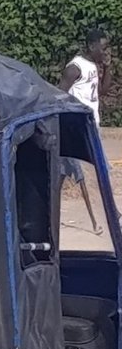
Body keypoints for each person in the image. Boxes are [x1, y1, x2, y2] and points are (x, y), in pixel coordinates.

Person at [60, 29, 112, 236]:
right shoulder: (75, 68)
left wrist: (108, 68)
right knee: (86, 176)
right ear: (91, 47)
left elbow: (101, 92)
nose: (106, 51)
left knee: (91, 173)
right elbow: (59, 94)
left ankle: (106, 215)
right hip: (78, 129)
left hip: (92, 127)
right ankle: (98, 220)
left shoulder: (92, 66)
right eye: (103, 47)